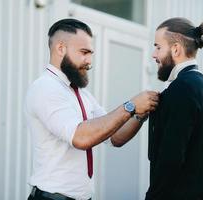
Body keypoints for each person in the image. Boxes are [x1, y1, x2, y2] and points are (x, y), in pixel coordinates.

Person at [25, 18, 159, 200]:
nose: (89, 61)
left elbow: (115, 136)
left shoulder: (81, 94)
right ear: (60, 49)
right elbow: (80, 137)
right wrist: (131, 105)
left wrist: (140, 115)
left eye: (91, 53)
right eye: (84, 52)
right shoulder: (46, 88)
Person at [146, 17, 203, 200]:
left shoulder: (182, 89)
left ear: (176, 49)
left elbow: (170, 159)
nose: (153, 55)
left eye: (158, 47)